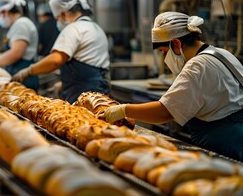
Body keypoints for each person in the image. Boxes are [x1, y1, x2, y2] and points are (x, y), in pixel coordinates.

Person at [104, 11, 243, 161]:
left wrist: (124, 109)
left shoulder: (197, 66)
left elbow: (164, 112)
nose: (165, 59)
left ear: (176, 43)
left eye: (164, 52)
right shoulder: (221, 53)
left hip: (229, 142)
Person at [12, 0, 110, 104]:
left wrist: (28, 71)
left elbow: (55, 60)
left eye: (57, 18)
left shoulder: (73, 29)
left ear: (64, 14)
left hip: (84, 95)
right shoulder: (95, 28)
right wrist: (63, 84)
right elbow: (90, 61)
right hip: (100, 92)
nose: (58, 22)